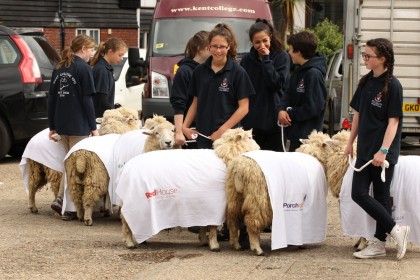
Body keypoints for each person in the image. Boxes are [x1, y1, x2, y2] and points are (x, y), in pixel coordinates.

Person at [343, 38, 409, 260]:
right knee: (358, 193)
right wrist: (350, 142)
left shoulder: (394, 86)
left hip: (383, 152)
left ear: (382, 59)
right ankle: (395, 229)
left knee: (380, 196)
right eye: (364, 55)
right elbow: (358, 115)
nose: (365, 59)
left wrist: (383, 151)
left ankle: (380, 243)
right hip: (365, 149)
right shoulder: (365, 82)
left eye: (368, 56)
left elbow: (393, 122)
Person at [48, 34, 98, 218]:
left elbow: (52, 99)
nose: (92, 53)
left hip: (61, 123)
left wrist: (52, 125)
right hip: (78, 125)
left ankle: (64, 204)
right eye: (91, 49)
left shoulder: (59, 68)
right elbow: (87, 100)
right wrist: (94, 127)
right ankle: (63, 202)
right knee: (75, 167)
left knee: (69, 164)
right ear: (83, 49)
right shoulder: (84, 69)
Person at [182, 23, 255, 149]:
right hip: (203, 136)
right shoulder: (199, 71)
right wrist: (184, 127)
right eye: (214, 46)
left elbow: (244, 108)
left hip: (229, 138)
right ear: (209, 46)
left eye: (222, 47)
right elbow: (195, 102)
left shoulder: (238, 72)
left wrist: (222, 131)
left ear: (228, 47)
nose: (218, 50)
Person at [240, 18, 290, 151]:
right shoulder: (246, 60)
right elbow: (242, 88)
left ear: (271, 38)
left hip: (274, 123)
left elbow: (275, 84)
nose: (261, 45)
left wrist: (266, 60)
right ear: (252, 42)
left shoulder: (281, 57)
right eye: (257, 42)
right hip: (251, 123)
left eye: (265, 41)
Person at [277, 31, 327, 152]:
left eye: (291, 49)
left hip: (308, 141)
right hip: (295, 137)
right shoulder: (298, 71)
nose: (289, 53)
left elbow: (314, 107)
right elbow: (287, 93)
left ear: (298, 52)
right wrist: (281, 110)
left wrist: (290, 112)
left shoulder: (313, 74)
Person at [170, 31, 210, 147]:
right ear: (199, 48)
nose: (214, 50)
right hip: (190, 131)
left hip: (206, 130)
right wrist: (179, 132)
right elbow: (178, 103)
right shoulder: (184, 71)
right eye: (209, 47)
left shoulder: (209, 70)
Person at [90, 37, 128, 118]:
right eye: (120, 55)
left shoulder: (106, 68)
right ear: (110, 51)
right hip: (99, 118)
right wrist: (117, 113)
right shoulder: (101, 70)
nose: (121, 58)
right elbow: (102, 99)